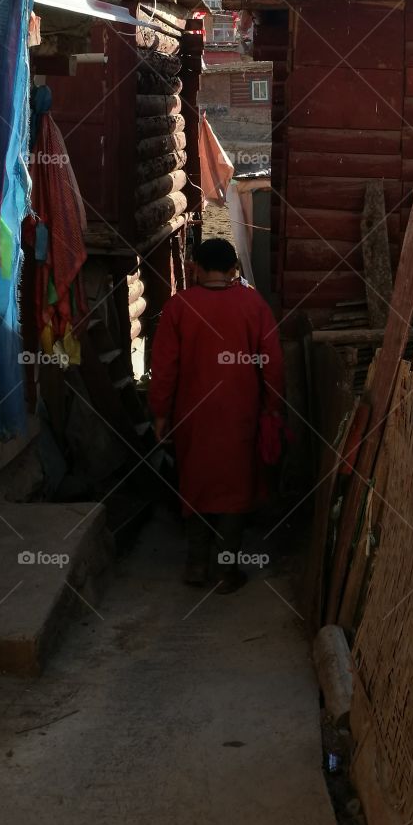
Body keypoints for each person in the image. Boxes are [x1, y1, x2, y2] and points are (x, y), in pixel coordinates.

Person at [149, 238, 284, 592]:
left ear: (195, 267)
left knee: (196, 481)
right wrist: (272, 406)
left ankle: (196, 564)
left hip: (190, 415)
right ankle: (226, 570)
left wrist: (160, 413)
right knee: (235, 487)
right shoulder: (253, 305)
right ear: (233, 270)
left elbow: (163, 368)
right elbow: (272, 363)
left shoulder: (179, 307)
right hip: (241, 412)